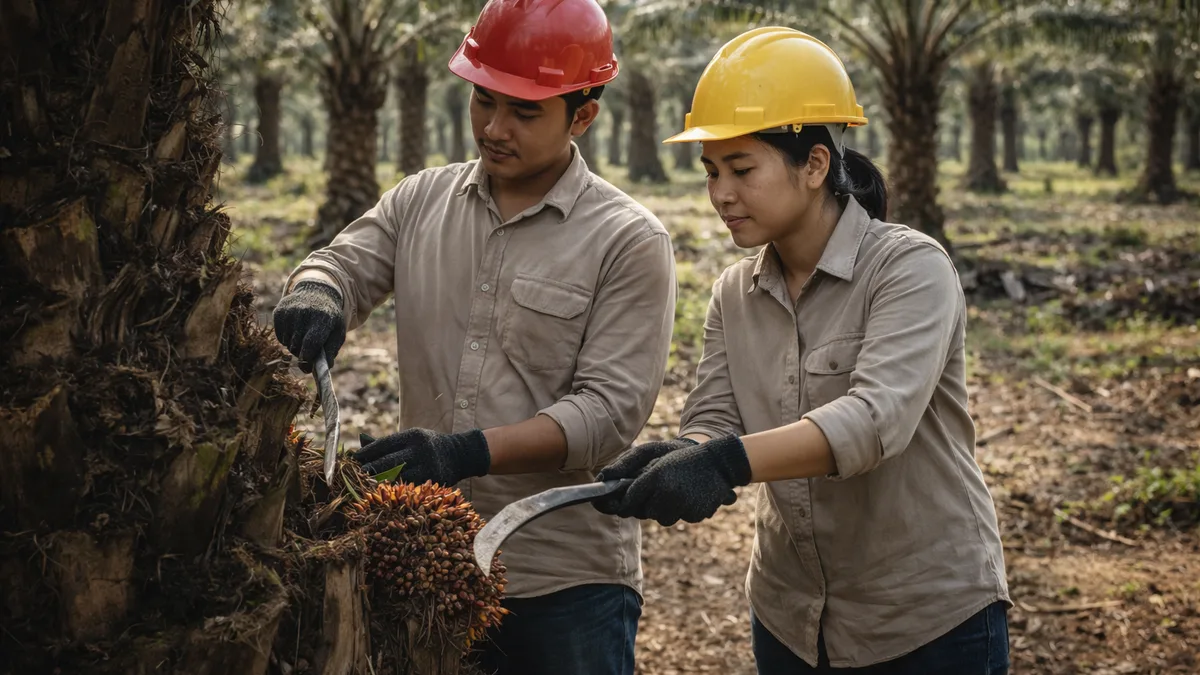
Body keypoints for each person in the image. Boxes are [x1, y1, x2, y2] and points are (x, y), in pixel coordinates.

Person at [271, 1, 677, 673]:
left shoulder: (629, 240)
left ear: (583, 115)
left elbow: (607, 415)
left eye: (524, 112)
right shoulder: (418, 202)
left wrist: (465, 452)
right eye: (483, 101)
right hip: (428, 568)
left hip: (561, 583)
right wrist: (317, 290)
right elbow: (340, 263)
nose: (494, 127)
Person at [593, 26, 1012, 674]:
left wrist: (724, 462)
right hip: (791, 619)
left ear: (815, 164)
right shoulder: (736, 291)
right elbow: (714, 414)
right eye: (710, 171)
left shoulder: (910, 270)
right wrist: (686, 453)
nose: (721, 194)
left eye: (741, 168)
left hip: (925, 621)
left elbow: (873, 422)